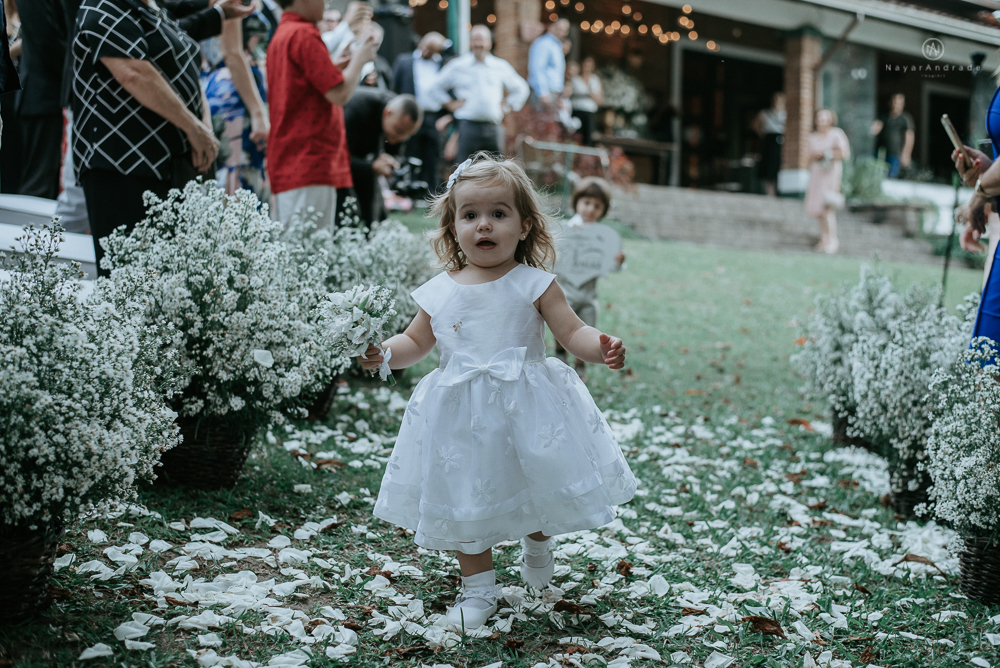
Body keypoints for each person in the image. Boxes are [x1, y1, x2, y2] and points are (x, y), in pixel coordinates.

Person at [356, 154, 635, 631]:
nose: (484, 225)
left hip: (526, 406)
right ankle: (479, 589)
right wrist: (384, 353)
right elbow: (416, 343)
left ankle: (538, 548)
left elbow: (572, 332)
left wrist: (600, 346)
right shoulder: (439, 291)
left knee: (536, 480)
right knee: (466, 495)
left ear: (524, 226)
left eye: (498, 214)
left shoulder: (534, 283)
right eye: (470, 215)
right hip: (460, 414)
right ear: (453, 227)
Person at [72, 0, 242, 276]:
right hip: (123, 165)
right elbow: (134, 73)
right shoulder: (102, 6)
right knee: (131, 282)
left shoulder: (151, 8)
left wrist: (203, 129)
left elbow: (184, 65)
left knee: (168, 282)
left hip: (168, 166)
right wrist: (194, 129)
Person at [266, 0, 378, 229]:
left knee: (296, 245)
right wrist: (360, 59)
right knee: (308, 251)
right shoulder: (304, 33)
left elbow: (302, 87)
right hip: (308, 159)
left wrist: (335, 66)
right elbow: (339, 94)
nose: (326, 2)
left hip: (294, 157)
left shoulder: (285, 32)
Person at [553, 177, 624, 378]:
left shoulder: (603, 237)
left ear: (603, 210)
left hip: (588, 294)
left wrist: (618, 261)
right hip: (563, 292)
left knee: (587, 330)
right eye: (586, 203)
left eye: (597, 206)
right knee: (562, 326)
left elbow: (611, 266)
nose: (590, 209)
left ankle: (580, 365)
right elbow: (550, 257)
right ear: (576, 202)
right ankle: (560, 353)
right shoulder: (564, 230)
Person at [429, 25, 528, 164]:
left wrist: (508, 106)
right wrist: (450, 104)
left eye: (481, 40)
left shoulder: (500, 66)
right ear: (470, 43)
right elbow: (434, 88)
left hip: (493, 128)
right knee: (463, 172)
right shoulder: (458, 65)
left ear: (489, 43)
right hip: (467, 128)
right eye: (475, 40)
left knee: (495, 174)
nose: (478, 44)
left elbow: (521, 88)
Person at [203, 12, 271, 201]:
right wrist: (259, 113)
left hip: (225, 84)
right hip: (237, 89)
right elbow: (231, 52)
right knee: (237, 180)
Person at [343, 90, 421, 224]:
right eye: (398, 131)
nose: (401, 138)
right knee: (348, 213)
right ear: (387, 113)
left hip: (364, 159)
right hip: (339, 161)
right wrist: (372, 166)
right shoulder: (357, 109)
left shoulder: (398, 118)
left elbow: (395, 153)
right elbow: (340, 159)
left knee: (377, 216)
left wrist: (392, 163)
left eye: (407, 135)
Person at [15, 0, 65, 200]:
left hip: (45, 92)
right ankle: (30, 232)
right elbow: (45, 40)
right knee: (38, 187)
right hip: (43, 93)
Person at [392, 31, 446, 197]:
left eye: (432, 49)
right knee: (408, 153)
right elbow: (395, 88)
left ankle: (430, 194)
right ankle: (407, 192)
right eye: (426, 47)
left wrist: (447, 116)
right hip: (410, 115)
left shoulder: (443, 64)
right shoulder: (404, 61)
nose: (427, 51)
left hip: (434, 117)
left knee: (432, 156)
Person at [804, 108, 850, 254]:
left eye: (824, 118)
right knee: (818, 209)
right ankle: (824, 239)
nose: (821, 121)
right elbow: (807, 158)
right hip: (817, 174)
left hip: (831, 174)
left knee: (827, 208)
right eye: (819, 118)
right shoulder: (812, 137)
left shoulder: (836, 134)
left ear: (830, 120)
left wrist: (826, 153)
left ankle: (833, 240)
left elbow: (844, 153)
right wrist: (815, 156)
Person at [527, 18, 569, 109]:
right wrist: (542, 92)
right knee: (541, 122)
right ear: (551, 27)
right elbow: (537, 67)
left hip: (553, 93)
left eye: (565, 29)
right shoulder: (544, 43)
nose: (561, 31)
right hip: (544, 94)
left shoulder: (556, 46)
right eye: (559, 28)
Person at [871, 92, 914, 179]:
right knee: (877, 175)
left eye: (897, 102)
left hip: (894, 154)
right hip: (881, 152)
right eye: (893, 101)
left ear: (902, 104)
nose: (894, 104)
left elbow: (909, 137)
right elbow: (876, 128)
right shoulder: (884, 116)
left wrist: (906, 154)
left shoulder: (905, 119)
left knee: (891, 177)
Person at [753, 91, 785, 197]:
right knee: (768, 168)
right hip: (769, 141)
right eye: (776, 99)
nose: (778, 102)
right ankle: (770, 193)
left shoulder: (786, 114)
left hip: (781, 142)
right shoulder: (765, 113)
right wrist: (762, 133)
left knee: (779, 166)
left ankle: (779, 192)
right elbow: (755, 124)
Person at [567, 57, 602, 146]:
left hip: (590, 114)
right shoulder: (575, 79)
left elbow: (600, 99)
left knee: (588, 138)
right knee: (575, 137)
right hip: (577, 111)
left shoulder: (595, 79)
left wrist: (593, 96)